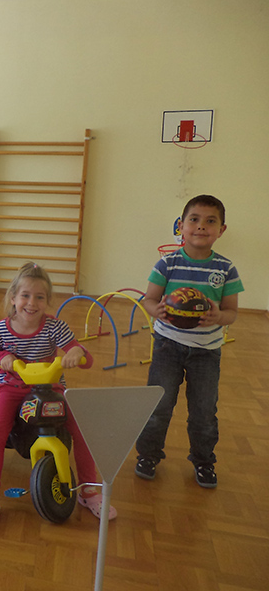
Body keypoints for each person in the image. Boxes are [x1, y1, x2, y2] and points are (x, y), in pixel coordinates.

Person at [0, 262, 115, 530]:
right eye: (25, 295)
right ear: (13, 298)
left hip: (50, 388)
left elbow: (85, 357)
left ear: (47, 301)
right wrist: (3, 358)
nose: (31, 303)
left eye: (39, 297)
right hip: (12, 387)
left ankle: (88, 491)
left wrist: (76, 352)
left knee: (80, 430)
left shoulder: (55, 328)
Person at [135, 195, 243, 488]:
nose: (201, 226)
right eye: (194, 219)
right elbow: (149, 299)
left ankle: (204, 460)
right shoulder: (167, 263)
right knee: (158, 405)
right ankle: (148, 455)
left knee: (204, 412)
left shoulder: (226, 269)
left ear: (221, 230)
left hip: (206, 352)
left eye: (210, 221)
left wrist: (219, 316)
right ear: (181, 226)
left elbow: (232, 313)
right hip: (167, 346)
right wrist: (156, 310)